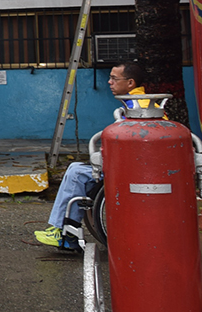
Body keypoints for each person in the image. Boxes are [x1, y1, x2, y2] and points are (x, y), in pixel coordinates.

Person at [34, 61, 150, 251]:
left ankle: (64, 231)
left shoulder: (138, 106)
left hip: (133, 170)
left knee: (77, 173)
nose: (109, 82)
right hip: (135, 166)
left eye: (114, 78)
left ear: (130, 83)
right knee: (76, 169)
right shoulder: (139, 102)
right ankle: (64, 229)